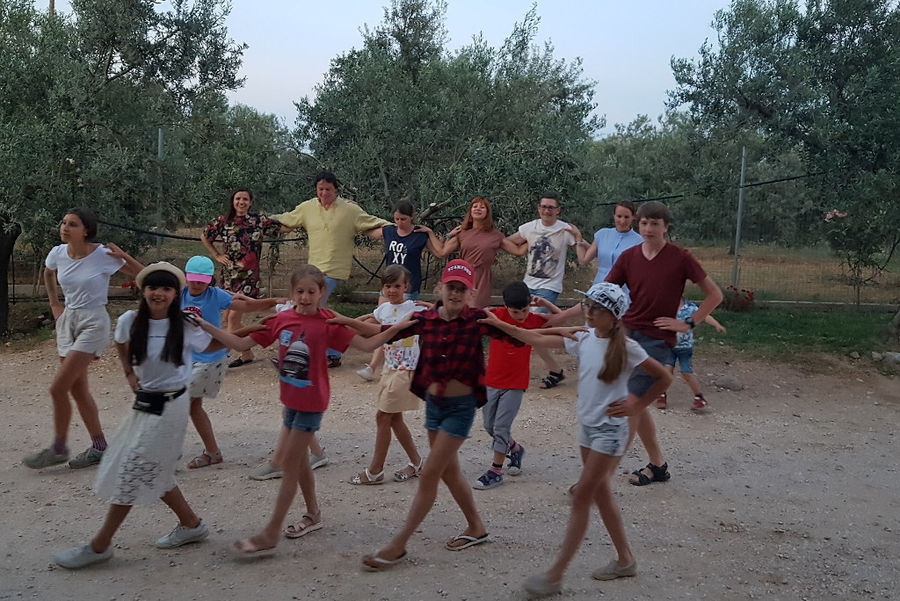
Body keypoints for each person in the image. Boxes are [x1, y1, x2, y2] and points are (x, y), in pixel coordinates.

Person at [336, 260, 577, 572]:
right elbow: (381, 332)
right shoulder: (423, 319)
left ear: (470, 292)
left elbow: (520, 332)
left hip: (460, 411)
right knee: (450, 473)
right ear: (440, 288)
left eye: (462, 288)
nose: (455, 292)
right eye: (451, 286)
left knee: (432, 473)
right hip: (434, 408)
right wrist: (342, 321)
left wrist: (564, 331)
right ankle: (476, 527)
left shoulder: (478, 320)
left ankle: (398, 545)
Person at [196, 265, 405, 554]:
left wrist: (401, 328)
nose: (305, 297)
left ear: (322, 293)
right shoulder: (281, 320)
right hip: (290, 403)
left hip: (312, 404)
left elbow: (368, 344)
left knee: (291, 464)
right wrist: (207, 326)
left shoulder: (329, 323)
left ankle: (270, 532)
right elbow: (240, 342)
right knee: (301, 461)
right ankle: (314, 515)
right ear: (291, 293)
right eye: (300, 292)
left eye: (311, 292)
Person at [482, 283, 671, 597]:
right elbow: (532, 337)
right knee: (601, 494)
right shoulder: (583, 337)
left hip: (610, 432)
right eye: (588, 305)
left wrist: (638, 405)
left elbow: (663, 377)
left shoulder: (627, 347)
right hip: (586, 428)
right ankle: (625, 559)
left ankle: (555, 575)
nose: (588, 310)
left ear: (613, 316)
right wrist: (498, 324)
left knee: (583, 496)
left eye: (596, 307)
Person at [52, 262, 221, 569]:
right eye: (153, 287)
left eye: (167, 288)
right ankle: (191, 523)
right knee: (152, 465)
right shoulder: (131, 320)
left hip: (171, 407)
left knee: (134, 469)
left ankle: (100, 544)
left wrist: (249, 333)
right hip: (144, 404)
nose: (159, 293)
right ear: (143, 291)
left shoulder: (183, 324)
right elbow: (120, 342)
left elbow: (215, 343)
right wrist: (129, 372)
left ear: (176, 294)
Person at [605, 201, 723, 486]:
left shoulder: (680, 258)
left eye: (655, 224)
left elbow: (715, 295)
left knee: (629, 405)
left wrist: (688, 323)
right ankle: (658, 466)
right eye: (644, 223)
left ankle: (601, 478)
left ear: (665, 227)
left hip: (658, 341)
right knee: (638, 404)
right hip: (629, 336)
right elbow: (605, 292)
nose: (648, 229)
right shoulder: (628, 256)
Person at [24, 208, 143, 470]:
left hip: (93, 322)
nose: (65, 227)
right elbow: (48, 273)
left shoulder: (102, 254)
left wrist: (125, 257)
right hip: (68, 321)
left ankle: (58, 447)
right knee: (78, 390)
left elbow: (142, 275)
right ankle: (99, 447)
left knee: (58, 388)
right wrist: (55, 304)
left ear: (86, 230)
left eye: (72, 224)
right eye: (64, 222)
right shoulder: (57, 253)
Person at [273, 171, 391, 368]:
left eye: (328, 189)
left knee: (309, 310)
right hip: (314, 269)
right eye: (320, 189)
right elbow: (287, 219)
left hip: (333, 269)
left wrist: (399, 229)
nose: (324, 193)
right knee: (319, 313)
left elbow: (373, 222)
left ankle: (303, 354)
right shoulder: (307, 208)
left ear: (336, 189)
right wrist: (259, 221)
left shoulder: (349, 210)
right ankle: (329, 354)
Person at [180, 256, 285, 468]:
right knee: (192, 406)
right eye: (193, 279)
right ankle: (211, 452)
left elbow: (248, 307)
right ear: (185, 277)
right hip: (186, 358)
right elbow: (147, 275)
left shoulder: (216, 295)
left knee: (182, 402)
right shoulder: (178, 293)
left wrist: (274, 302)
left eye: (202, 279)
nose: (197, 283)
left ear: (210, 280)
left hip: (210, 358)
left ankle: (174, 451)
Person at [473, 282, 560, 490]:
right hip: (492, 380)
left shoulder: (534, 321)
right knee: (489, 426)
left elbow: (559, 318)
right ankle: (515, 448)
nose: (520, 316)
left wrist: (545, 302)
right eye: (515, 311)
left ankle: (495, 471)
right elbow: (477, 314)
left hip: (515, 383)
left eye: (524, 310)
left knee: (501, 427)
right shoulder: (499, 316)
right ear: (506, 306)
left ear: (530, 305)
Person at [349, 265, 425, 485]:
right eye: (388, 286)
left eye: (397, 286)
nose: (392, 290)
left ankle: (375, 471)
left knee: (383, 416)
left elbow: (440, 313)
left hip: (407, 370)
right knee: (394, 418)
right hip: (390, 369)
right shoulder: (382, 310)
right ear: (383, 288)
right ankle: (416, 463)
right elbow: (366, 323)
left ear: (406, 287)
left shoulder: (415, 309)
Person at [356, 199, 444, 382]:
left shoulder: (420, 236)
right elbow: (367, 230)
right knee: (384, 327)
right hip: (388, 286)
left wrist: (429, 231)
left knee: (399, 330)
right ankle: (372, 367)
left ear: (412, 218)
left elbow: (440, 252)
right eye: (396, 218)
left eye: (403, 219)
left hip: (407, 288)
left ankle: (406, 365)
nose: (399, 222)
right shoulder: (388, 231)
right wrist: (353, 211)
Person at [505, 193, 580, 389]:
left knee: (531, 330)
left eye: (550, 207)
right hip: (528, 284)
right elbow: (506, 241)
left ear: (558, 210)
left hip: (549, 287)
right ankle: (556, 369)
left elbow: (583, 248)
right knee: (531, 331)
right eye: (543, 207)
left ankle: (558, 363)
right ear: (539, 209)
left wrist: (579, 237)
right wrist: (521, 251)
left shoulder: (565, 230)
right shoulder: (530, 227)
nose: (546, 210)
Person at [202, 189, 282, 368]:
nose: (241, 202)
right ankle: (246, 353)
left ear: (250, 202)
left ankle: (222, 356)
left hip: (249, 277)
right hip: (229, 276)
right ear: (233, 201)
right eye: (238, 198)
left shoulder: (258, 221)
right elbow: (205, 235)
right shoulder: (223, 221)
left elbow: (284, 227)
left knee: (233, 319)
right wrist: (216, 255)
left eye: (245, 199)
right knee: (227, 318)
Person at [436, 197, 524, 308]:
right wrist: (441, 234)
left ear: (487, 212)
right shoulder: (462, 233)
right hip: (463, 274)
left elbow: (518, 251)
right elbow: (442, 252)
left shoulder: (496, 236)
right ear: (470, 211)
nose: (478, 209)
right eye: (475, 206)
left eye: (482, 207)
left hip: (482, 278)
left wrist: (535, 236)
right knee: (457, 308)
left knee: (477, 310)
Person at [656, 297, 726, 411]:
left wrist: (716, 324)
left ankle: (699, 397)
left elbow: (705, 316)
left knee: (686, 373)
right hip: (668, 346)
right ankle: (661, 395)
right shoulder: (665, 307)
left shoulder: (691, 308)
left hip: (685, 347)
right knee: (666, 371)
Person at [574, 201, 643, 285]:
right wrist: (578, 238)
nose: (622, 221)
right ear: (614, 216)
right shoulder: (602, 234)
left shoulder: (640, 241)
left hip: (623, 291)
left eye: (626, 217)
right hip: (599, 287)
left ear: (633, 217)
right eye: (619, 216)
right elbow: (583, 261)